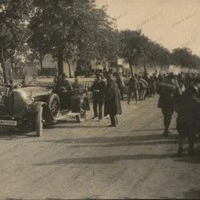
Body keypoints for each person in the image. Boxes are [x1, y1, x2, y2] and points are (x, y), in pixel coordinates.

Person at [175, 84, 200, 156]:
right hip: (192, 121)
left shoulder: (182, 99)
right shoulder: (196, 101)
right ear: (195, 92)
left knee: (182, 136)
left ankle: (180, 150)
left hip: (181, 120)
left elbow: (175, 106)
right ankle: (191, 150)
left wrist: (179, 111)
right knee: (192, 136)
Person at [157, 73, 181, 137]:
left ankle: (166, 129)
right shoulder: (175, 83)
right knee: (169, 116)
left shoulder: (162, 83)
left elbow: (157, 91)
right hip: (170, 102)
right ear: (173, 77)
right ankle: (166, 130)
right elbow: (179, 93)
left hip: (163, 102)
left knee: (165, 116)